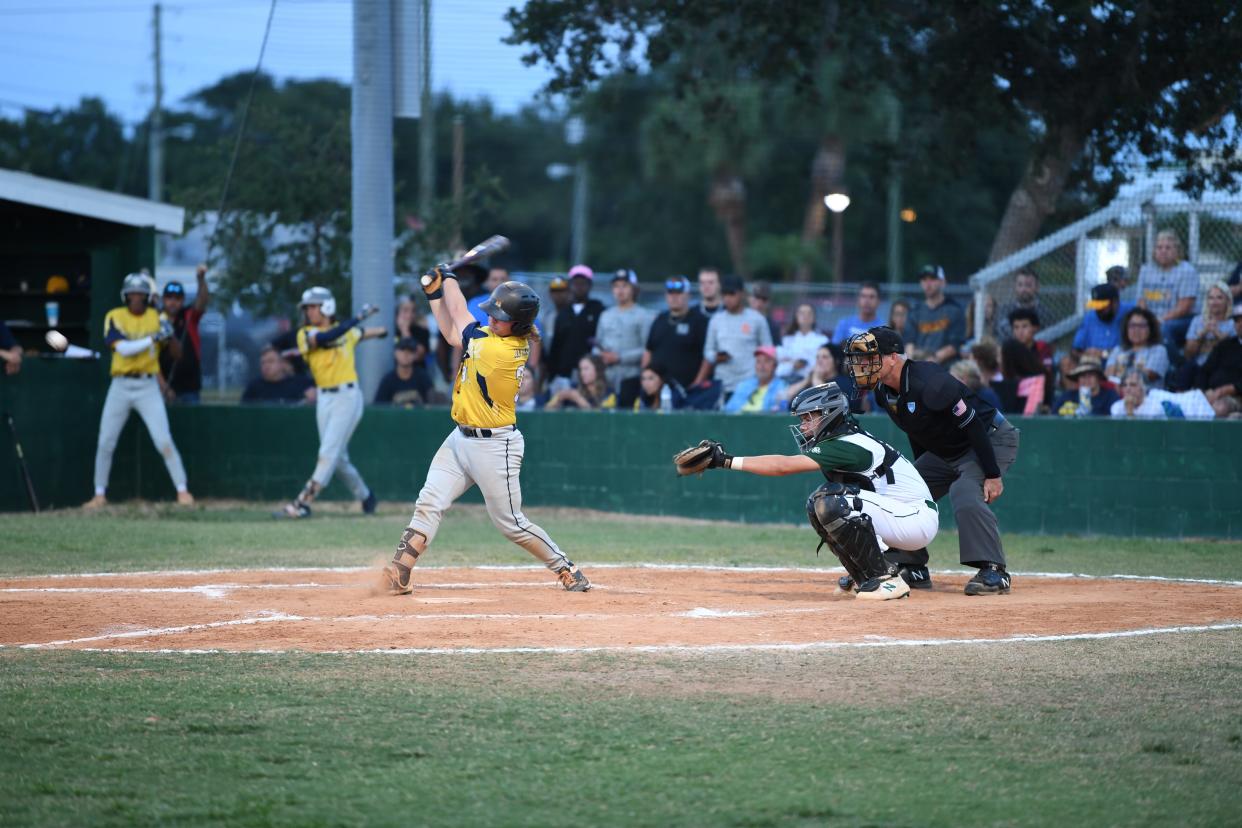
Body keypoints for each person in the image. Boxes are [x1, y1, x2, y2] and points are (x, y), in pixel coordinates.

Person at [381, 270, 591, 595]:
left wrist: (448, 278)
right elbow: (453, 333)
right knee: (429, 501)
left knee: (511, 523)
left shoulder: (501, 351)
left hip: (496, 447)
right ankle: (399, 572)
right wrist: (435, 293)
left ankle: (566, 567)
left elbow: (460, 315)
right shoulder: (491, 339)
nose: (492, 320)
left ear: (519, 325)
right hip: (460, 438)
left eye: (500, 317)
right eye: (492, 314)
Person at [678, 382, 938, 601]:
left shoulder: (848, 444)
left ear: (830, 413)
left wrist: (725, 461)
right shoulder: (843, 439)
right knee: (818, 505)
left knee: (832, 500)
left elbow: (782, 466)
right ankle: (865, 575)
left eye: (808, 417)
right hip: (900, 516)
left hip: (915, 518)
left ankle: (885, 578)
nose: (803, 426)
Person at [845, 326, 1020, 596]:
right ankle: (912, 566)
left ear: (892, 357)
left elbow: (973, 425)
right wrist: (916, 481)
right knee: (899, 491)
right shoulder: (885, 392)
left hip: (990, 440)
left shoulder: (931, 383)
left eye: (871, 358)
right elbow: (917, 431)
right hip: (947, 450)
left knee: (964, 490)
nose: (863, 365)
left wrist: (992, 475)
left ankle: (994, 571)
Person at [275, 287, 385, 519]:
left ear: (326, 307)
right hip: (324, 398)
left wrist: (386, 331)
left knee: (327, 453)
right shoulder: (305, 334)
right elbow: (328, 337)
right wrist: (360, 316)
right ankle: (366, 496)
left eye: (313, 307)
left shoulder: (347, 332)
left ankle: (302, 503)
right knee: (338, 457)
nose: (309, 312)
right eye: (308, 308)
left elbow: (365, 333)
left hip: (348, 397)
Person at [85, 273, 194, 508]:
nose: (136, 299)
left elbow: (177, 354)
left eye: (141, 295)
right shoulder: (115, 316)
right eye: (132, 295)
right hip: (121, 385)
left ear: (147, 297)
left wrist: (169, 334)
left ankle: (183, 491)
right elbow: (123, 349)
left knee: (163, 439)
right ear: (125, 296)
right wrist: (152, 338)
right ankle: (99, 494)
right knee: (106, 441)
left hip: (148, 386)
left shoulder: (157, 317)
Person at [692, 274, 773, 402]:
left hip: (750, 384)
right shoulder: (716, 320)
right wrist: (716, 356)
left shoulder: (757, 319)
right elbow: (708, 351)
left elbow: (768, 351)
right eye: (724, 294)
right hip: (723, 385)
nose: (727, 298)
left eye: (731, 294)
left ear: (741, 294)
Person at [595, 269, 655, 408]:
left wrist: (619, 357)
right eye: (616, 286)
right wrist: (601, 355)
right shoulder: (605, 315)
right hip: (607, 378)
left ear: (634, 288)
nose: (620, 290)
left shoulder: (643, 315)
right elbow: (597, 344)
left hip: (632, 377)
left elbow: (648, 349)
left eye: (625, 285)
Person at [643, 275, 710, 397]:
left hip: (686, 390)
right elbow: (648, 351)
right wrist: (645, 379)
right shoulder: (659, 319)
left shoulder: (699, 321)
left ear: (688, 295)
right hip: (657, 391)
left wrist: (697, 383)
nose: (674, 297)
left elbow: (707, 357)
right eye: (670, 293)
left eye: (679, 293)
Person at [1137, 229, 1199, 351]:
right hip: (1152, 318)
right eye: (1159, 248)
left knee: (1164, 328)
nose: (1163, 251)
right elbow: (1141, 301)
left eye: (1168, 248)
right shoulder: (1146, 270)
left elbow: (1184, 307)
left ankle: (1174, 365)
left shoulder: (1187, 271)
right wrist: (1147, 319)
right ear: (1154, 251)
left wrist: (1159, 320)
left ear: (1177, 251)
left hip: (1181, 319)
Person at [547, 264, 604, 392]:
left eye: (583, 283)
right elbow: (556, 347)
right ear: (570, 285)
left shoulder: (598, 310)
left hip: (590, 376)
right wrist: (551, 375)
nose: (579, 287)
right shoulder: (563, 313)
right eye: (575, 283)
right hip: (564, 375)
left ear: (590, 285)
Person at [158, 264, 210, 404]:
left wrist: (201, 279)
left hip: (190, 388)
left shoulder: (188, 316)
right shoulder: (156, 320)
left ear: (182, 301)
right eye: (169, 298)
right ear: (163, 300)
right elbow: (151, 360)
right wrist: (164, 387)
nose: (173, 302)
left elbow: (202, 301)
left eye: (177, 298)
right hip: (164, 388)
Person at [782, 344, 866, 413]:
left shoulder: (847, 383)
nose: (819, 361)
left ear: (836, 361)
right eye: (817, 357)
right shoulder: (809, 382)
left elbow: (836, 407)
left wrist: (817, 380)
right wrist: (807, 380)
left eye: (825, 357)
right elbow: (789, 400)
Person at [908, 265, 966, 364]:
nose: (928, 283)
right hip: (919, 366)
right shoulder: (915, 312)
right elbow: (909, 342)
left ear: (943, 282)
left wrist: (933, 360)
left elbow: (955, 344)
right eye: (924, 279)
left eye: (932, 279)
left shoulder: (955, 310)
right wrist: (913, 362)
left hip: (946, 369)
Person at [1000, 308, 1053, 412]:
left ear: (1035, 328)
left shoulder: (1042, 348)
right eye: (1016, 327)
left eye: (1025, 326)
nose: (1020, 331)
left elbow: (1047, 375)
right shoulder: (1009, 350)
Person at [1111, 369, 1214, 420]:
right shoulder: (1116, 407)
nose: (1128, 389)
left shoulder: (1154, 407)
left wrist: (1130, 412)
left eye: (1133, 385)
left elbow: (1140, 437)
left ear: (1143, 388)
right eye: (1125, 385)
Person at [1105, 307, 1169, 388]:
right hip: (1117, 396)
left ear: (1151, 329)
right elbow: (1109, 374)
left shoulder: (1159, 350)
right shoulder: (1118, 350)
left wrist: (1120, 380)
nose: (1136, 330)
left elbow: (1147, 376)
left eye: (1141, 326)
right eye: (1132, 325)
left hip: (1147, 397)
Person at [1196, 302, 1242, 409]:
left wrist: (1223, 391)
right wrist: (1203, 391)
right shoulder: (1225, 345)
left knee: (1220, 407)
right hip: (1212, 394)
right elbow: (1205, 370)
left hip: (1236, 397)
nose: (1240, 324)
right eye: (1237, 321)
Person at [1072, 282, 1131, 360]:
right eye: (1096, 306)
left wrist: (1103, 353)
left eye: (1102, 306)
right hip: (1095, 367)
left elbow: (1135, 350)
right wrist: (1086, 356)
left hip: (1121, 366)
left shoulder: (1130, 312)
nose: (1098, 310)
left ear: (1115, 303)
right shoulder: (1090, 317)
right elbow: (1075, 350)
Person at [241, 345, 315, 404]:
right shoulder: (254, 388)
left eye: (271, 361)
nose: (266, 365)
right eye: (263, 362)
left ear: (282, 363)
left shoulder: (301, 383)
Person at [724, 346, 788, 413]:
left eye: (767, 361)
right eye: (758, 361)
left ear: (775, 366)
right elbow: (727, 411)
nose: (762, 366)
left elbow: (778, 414)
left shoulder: (782, 387)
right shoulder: (744, 385)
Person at [375, 337, 434, 407]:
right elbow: (379, 408)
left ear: (415, 355)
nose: (406, 354)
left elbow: (433, 404)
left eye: (410, 351)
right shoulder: (388, 380)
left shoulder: (423, 377)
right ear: (395, 353)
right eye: (402, 349)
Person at [545, 354, 617, 410]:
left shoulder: (609, 393)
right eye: (581, 369)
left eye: (586, 369)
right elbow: (546, 411)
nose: (582, 373)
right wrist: (558, 400)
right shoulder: (574, 389)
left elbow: (602, 419)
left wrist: (578, 399)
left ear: (597, 370)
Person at [776, 302, 828, 379]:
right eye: (802, 313)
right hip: (787, 380)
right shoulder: (786, 340)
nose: (805, 316)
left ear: (814, 318)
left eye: (809, 313)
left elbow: (824, 366)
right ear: (796, 316)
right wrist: (793, 365)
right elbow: (779, 368)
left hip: (812, 381)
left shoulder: (822, 340)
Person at [1052, 357, 1118, 417]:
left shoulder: (1110, 396)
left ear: (1098, 378)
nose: (1087, 379)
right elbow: (1054, 416)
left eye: (1091, 375)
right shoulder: (1068, 396)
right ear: (1078, 379)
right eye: (1083, 376)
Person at [995, 268, 1044, 341]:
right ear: (1015, 287)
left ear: (1037, 287)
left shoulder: (1045, 313)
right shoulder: (1004, 310)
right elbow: (1000, 334)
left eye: (1028, 285)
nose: (1023, 289)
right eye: (1020, 285)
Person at [747, 280, 782, 345]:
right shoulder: (739, 320)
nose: (759, 303)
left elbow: (775, 350)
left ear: (769, 302)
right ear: (749, 298)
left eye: (764, 299)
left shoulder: (773, 326)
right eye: (756, 297)